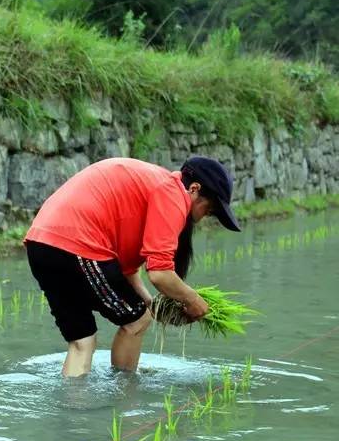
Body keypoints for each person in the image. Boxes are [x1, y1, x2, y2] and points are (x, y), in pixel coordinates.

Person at [24, 156, 241, 377]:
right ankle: (125, 398)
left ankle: (74, 408)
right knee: (137, 321)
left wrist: (151, 304)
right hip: (78, 242)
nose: (205, 217)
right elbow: (160, 273)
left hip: (41, 243)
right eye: (210, 210)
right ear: (194, 189)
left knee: (82, 341)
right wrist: (194, 301)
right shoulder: (174, 193)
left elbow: (126, 271)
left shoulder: (153, 185)